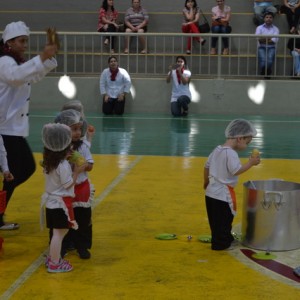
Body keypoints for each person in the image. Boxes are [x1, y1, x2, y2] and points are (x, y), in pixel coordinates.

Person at [0, 21, 58, 230]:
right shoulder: (5, 61)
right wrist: (42, 57)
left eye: (26, 41)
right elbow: (16, 78)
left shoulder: (16, 62)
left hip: (10, 129)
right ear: (9, 42)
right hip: (4, 130)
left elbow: (31, 75)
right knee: (22, 169)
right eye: (21, 41)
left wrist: (49, 57)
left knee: (17, 171)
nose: (25, 45)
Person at [203, 119, 260, 251]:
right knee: (224, 219)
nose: (246, 146)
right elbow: (236, 171)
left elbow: (206, 166)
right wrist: (250, 163)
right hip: (222, 195)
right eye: (247, 142)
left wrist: (205, 182)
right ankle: (221, 244)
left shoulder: (217, 150)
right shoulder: (231, 153)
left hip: (210, 192)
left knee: (215, 220)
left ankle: (223, 238)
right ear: (240, 138)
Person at [41, 123, 85, 272]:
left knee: (57, 232)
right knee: (59, 234)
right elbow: (68, 184)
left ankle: (53, 258)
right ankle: (55, 263)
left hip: (51, 202)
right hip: (61, 204)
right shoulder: (63, 165)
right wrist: (77, 171)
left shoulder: (48, 161)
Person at [55, 109, 94, 259]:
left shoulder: (83, 146)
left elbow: (90, 166)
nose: (78, 133)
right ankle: (63, 246)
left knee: (83, 218)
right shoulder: (57, 148)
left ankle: (82, 246)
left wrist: (82, 163)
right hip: (64, 189)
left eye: (79, 129)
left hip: (81, 188)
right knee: (65, 218)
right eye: (74, 129)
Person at [255, 12, 279, 78]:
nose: (269, 19)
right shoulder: (259, 28)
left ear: (273, 19)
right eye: (267, 17)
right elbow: (259, 39)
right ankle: (267, 72)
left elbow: (274, 41)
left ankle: (265, 72)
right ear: (264, 19)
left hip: (272, 47)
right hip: (261, 47)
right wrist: (269, 38)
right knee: (262, 61)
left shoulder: (276, 29)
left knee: (270, 60)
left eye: (270, 17)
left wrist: (264, 39)